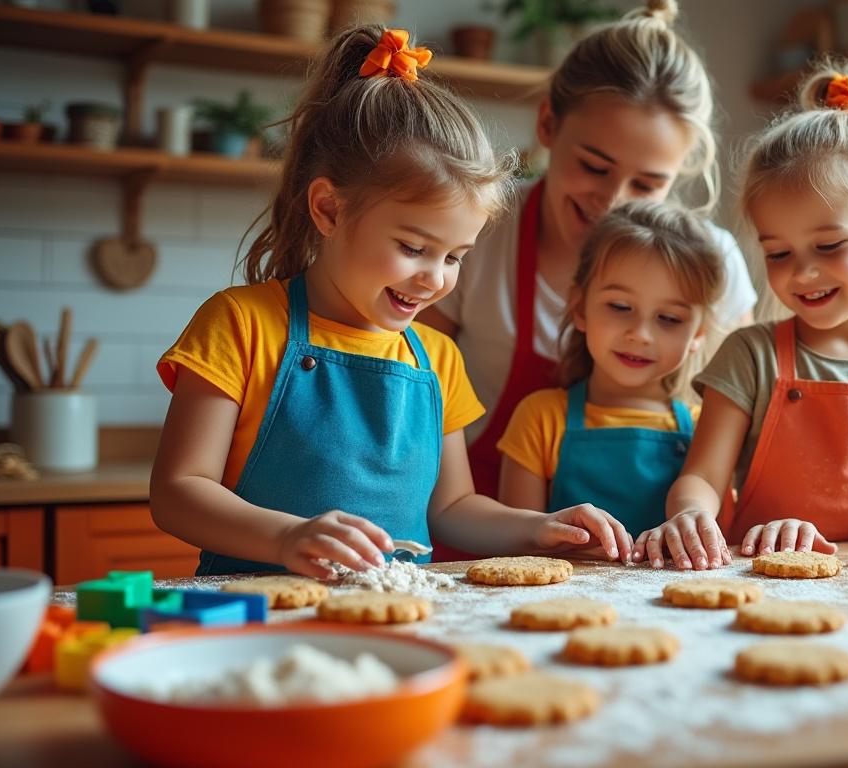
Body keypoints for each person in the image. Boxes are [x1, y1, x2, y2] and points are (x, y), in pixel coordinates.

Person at [151, 27, 633, 578]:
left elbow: (452, 511)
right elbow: (178, 491)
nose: (434, 279)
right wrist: (288, 538)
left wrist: (538, 528)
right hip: (262, 616)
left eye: (455, 257)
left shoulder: (438, 358)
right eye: (413, 248)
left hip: (401, 614)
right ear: (330, 210)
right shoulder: (240, 324)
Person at [636, 60, 848, 570]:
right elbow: (703, 478)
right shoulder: (750, 356)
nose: (802, 274)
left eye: (828, 245)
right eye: (778, 253)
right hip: (766, 592)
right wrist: (691, 514)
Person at [422, 0, 757, 503]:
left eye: (647, 183)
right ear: (548, 125)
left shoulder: (713, 263)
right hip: (474, 522)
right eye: (595, 167)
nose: (612, 201)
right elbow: (414, 388)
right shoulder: (480, 230)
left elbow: (739, 433)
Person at [497, 201, 725, 536]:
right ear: (580, 307)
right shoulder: (539, 418)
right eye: (620, 307)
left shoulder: (706, 430)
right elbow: (519, 550)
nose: (641, 334)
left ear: (698, 333)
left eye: (669, 319)